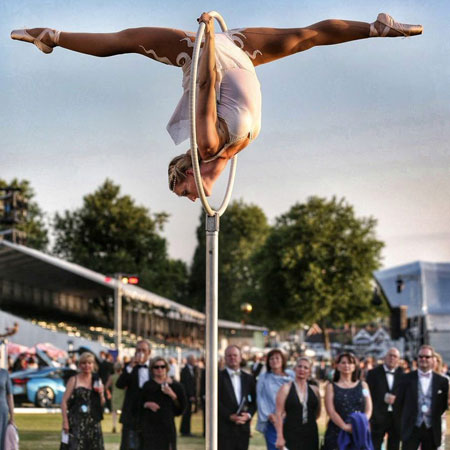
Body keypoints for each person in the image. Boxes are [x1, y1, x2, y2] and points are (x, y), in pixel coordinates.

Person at [11, 13, 423, 202]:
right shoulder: (227, 154)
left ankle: (51, 34)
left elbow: (206, 86)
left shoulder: (207, 145)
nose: (191, 199)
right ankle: (376, 29)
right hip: (238, 51)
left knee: (125, 41)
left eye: (184, 191)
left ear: (189, 172)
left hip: (206, 54)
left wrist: (206, 36)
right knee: (303, 37)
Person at [396, 345, 449, 450]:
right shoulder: (406, 379)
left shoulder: (442, 381)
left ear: (433, 359)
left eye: (427, 357)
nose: (423, 359)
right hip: (411, 428)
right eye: (420, 357)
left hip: (431, 428)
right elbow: (399, 404)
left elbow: (443, 405)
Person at [323, 352, 373, 450]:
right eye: (343, 363)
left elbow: (369, 408)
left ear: (355, 366)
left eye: (350, 363)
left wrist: (360, 423)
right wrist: (345, 427)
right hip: (337, 433)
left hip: (359, 432)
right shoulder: (331, 387)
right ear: (337, 366)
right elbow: (331, 411)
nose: (347, 365)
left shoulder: (363, 386)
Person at [61, 352, 105, 450]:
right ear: (80, 365)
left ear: (93, 365)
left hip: (93, 423)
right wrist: (65, 422)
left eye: (90, 363)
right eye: (84, 363)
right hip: (76, 422)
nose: (87, 366)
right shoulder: (73, 380)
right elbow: (64, 401)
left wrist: (101, 393)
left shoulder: (97, 380)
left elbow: (101, 403)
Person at [140, 356, 186, 450]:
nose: (160, 369)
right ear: (152, 369)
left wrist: (172, 395)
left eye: (162, 366)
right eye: (156, 367)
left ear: (167, 368)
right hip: (150, 427)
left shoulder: (176, 386)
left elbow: (181, 408)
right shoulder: (147, 386)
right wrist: (147, 404)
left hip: (167, 426)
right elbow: (138, 404)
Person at [274, 357, 321, 450]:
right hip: (291, 432)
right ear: (294, 369)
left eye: (306, 367)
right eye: (299, 366)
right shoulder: (285, 388)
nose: (302, 369)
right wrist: (280, 436)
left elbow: (318, 412)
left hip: (311, 433)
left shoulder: (315, 390)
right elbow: (278, 414)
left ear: (310, 371)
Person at [218, 345, 257, 450]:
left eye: (235, 355)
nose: (232, 358)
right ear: (225, 358)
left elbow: (255, 401)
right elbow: (215, 402)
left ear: (240, 358)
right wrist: (229, 416)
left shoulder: (249, 378)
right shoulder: (217, 377)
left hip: (243, 429)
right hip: (224, 429)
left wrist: (248, 415)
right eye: (229, 356)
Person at [116, 340, 152, 450]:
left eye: (143, 350)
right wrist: (131, 366)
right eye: (138, 350)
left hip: (148, 414)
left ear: (149, 352)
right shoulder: (129, 367)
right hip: (131, 414)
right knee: (128, 445)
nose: (140, 353)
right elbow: (120, 384)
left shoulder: (155, 367)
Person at [366, 347, 403, 450]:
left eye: (395, 356)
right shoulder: (373, 373)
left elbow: (405, 396)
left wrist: (397, 399)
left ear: (398, 359)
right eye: (390, 355)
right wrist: (383, 397)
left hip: (396, 418)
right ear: (384, 357)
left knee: (394, 446)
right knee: (375, 445)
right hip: (378, 417)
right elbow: (368, 394)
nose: (392, 358)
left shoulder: (403, 374)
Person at [256, 349, 293, 450]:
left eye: (277, 358)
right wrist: (269, 415)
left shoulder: (291, 376)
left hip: (291, 420)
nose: (274, 360)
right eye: (271, 359)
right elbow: (260, 398)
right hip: (273, 420)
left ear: (282, 360)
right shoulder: (264, 378)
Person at [179, 354, 197, 437]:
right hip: (186, 396)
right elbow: (186, 384)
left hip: (191, 395)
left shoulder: (194, 370)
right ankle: (185, 431)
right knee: (186, 414)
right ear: (189, 360)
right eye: (193, 360)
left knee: (189, 414)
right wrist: (190, 395)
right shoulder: (184, 371)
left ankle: (186, 430)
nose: (194, 361)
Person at [105, 361, 126, 433]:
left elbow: (106, 386)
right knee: (123, 411)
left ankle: (114, 425)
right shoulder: (123, 376)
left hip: (115, 394)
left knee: (114, 412)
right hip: (123, 394)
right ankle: (122, 427)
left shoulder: (112, 377)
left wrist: (108, 394)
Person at [0, 368, 15, 450]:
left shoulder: (4, 373)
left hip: (2, 412)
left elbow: (10, 396)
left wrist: (12, 416)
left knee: (2, 438)